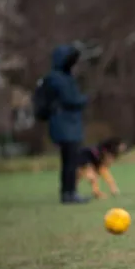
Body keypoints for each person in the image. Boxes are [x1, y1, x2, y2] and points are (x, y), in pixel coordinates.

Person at [45, 43, 90, 204]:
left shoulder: (61, 78)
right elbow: (71, 99)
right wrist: (84, 99)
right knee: (70, 160)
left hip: (67, 124)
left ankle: (69, 191)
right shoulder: (58, 79)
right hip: (65, 126)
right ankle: (69, 193)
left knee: (69, 160)